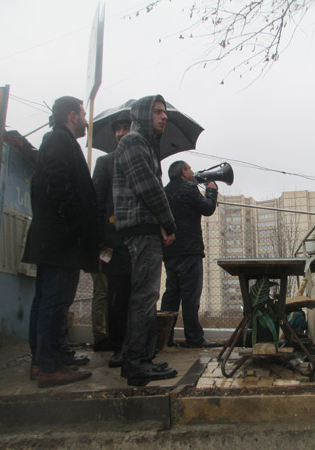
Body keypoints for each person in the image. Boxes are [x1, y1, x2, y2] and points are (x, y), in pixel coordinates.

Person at [23, 96, 99, 388]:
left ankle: (41, 361)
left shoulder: (56, 141)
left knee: (45, 301)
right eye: (83, 114)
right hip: (61, 240)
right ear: (72, 116)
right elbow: (60, 187)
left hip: (53, 239)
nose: (86, 121)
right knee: (54, 303)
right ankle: (50, 367)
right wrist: (78, 224)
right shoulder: (58, 140)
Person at [112, 95, 178, 386]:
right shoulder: (134, 141)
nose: (164, 117)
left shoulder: (144, 145)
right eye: (158, 112)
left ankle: (140, 358)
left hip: (144, 227)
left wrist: (159, 224)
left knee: (145, 296)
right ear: (142, 114)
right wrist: (168, 222)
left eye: (165, 112)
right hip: (140, 229)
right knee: (145, 297)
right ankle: (137, 363)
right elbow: (149, 188)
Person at [160, 161, 220, 348]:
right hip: (190, 252)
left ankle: (165, 337)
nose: (193, 172)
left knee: (171, 295)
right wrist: (211, 190)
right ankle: (194, 338)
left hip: (170, 252)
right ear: (183, 171)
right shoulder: (189, 188)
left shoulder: (164, 191)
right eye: (190, 169)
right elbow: (208, 208)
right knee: (190, 296)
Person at [92, 111, 132, 367]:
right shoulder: (105, 162)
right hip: (113, 243)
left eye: (125, 128)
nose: (120, 133)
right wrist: (100, 239)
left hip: (139, 240)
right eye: (117, 129)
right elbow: (97, 202)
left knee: (140, 295)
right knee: (116, 296)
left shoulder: (145, 160)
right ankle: (118, 347)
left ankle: (138, 345)